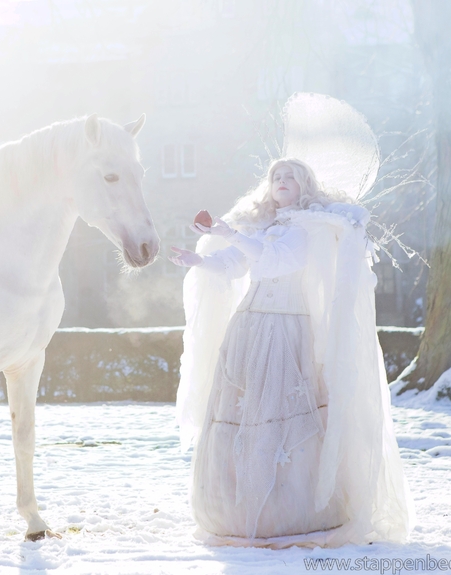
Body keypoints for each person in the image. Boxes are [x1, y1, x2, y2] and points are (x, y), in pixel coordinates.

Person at [170, 157, 413, 548]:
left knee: (282, 415)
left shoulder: (306, 228)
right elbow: (235, 265)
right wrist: (198, 259)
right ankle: (236, 509)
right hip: (248, 326)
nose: (282, 182)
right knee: (242, 411)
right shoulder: (261, 225)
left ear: (304, 186)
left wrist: (230, 232)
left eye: (291, 177)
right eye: (276, 177)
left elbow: (273, 262)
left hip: (285, 327)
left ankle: (288, 510)